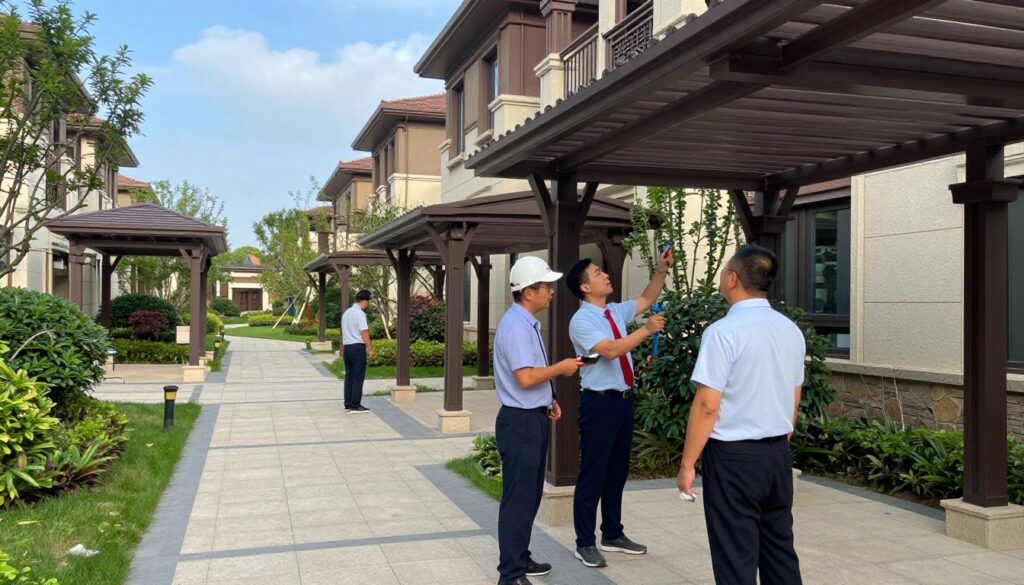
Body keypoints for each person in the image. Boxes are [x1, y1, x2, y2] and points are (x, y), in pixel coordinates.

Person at [677, 244, 805, 585]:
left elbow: (707, 404)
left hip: (734, 457)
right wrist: (778, 440)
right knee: (780, 549)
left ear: (733, 278)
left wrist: (688, 463)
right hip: (777, 452)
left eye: (723, 271)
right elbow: (795, 394)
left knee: (735, 554)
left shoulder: (722, 333)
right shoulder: (790, 329)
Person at [564, 247, 672, 568]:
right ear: (585, 287)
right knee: (592, 476)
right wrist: (646, 330)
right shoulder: (582, 320)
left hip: (623, 403)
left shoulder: (613, 312)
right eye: (598, 273)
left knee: (616, 473)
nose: (605, 275)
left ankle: (612, 533)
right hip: (598, 405)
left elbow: (645, 299)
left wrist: (662, 271)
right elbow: (610, 351)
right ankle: (585, 542)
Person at [492, 256, 582, 585]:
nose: (552, 291)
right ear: (528, 292)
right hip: (520, 424)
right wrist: (561, 368)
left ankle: (520, 558)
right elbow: (526, 377)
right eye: (547, 286)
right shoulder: (516, 326)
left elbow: (532, 380)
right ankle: (511, 574)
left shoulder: (526, 323)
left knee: (528, 496)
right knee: (519, 499)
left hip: (531, 418)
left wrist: (549, 400)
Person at [341, 289, 376, 413]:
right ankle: (356, 405)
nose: (368, 304)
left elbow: (343, 332)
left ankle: (348, 404)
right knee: (358, 377)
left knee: (349, 376)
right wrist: (370, 348)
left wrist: (342, 349)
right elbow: (364, 332)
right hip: (357, 348)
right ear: (364, 301)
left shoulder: (347, 313)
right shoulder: (360, 314)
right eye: (368, 301)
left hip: (347, 348)